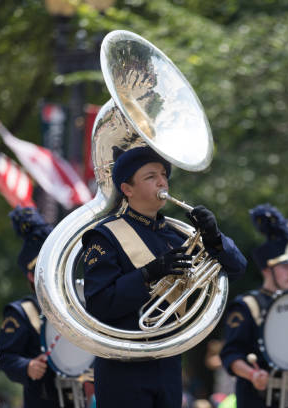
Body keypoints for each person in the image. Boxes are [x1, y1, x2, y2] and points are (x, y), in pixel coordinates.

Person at [82, 145, 247, 408]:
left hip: (169, 363)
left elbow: (238, 268)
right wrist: (148, 273)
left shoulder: (177, 234)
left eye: (163, 175)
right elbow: (99, 304)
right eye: (150, 177)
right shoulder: (105, 236)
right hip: (123, 367)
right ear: (127, 189)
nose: (162, 181)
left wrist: (215, 238)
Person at [220, 203, 288, 408]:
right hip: (254, 398)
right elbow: (231, 354)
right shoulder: (247, 306)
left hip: (286, 396)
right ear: (266, 269)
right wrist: (253, 373)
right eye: (284, 266)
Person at [0, 206, 65, 408]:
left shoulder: (74, 307)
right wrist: (27, 366)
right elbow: (4, 357)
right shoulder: (21, 312)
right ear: (30, 275)